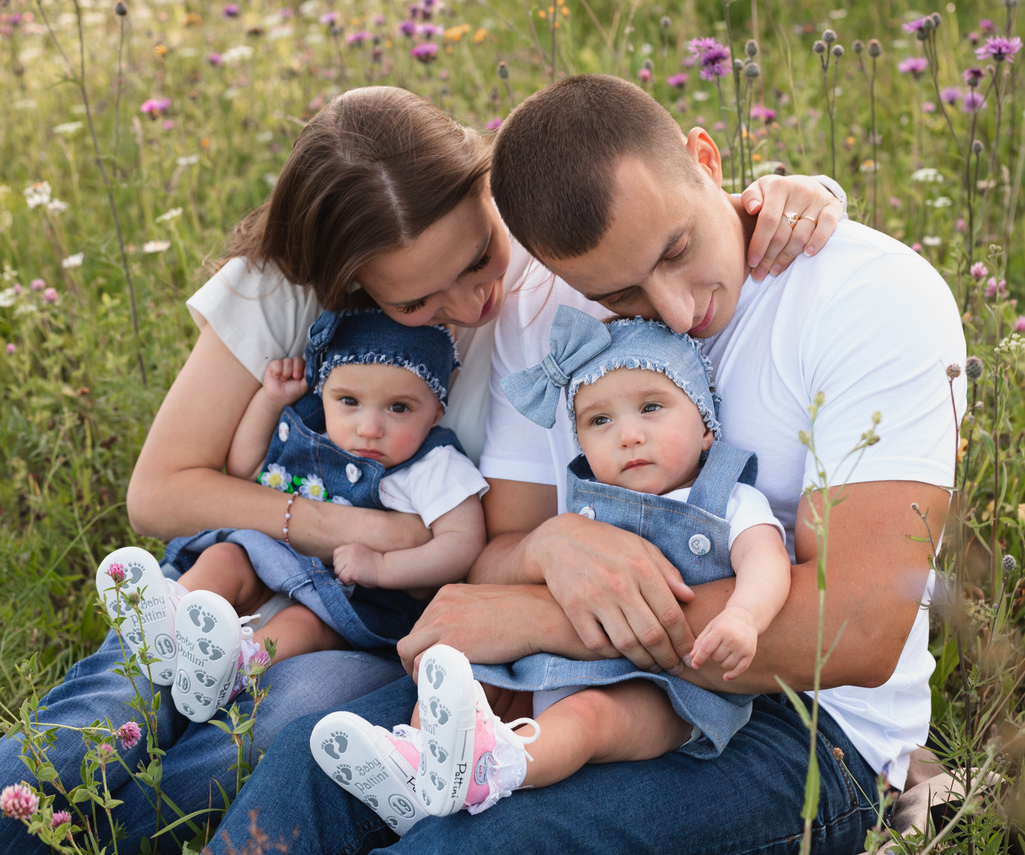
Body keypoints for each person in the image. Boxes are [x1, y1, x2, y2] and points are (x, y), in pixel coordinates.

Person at [0, 83, 840, 855]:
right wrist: (355, 528)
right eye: (418, 299)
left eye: (475, 257)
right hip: (246, 569)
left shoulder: (545, 261)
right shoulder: (291, 276)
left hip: (382, 621)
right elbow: (160, 490)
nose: (472, 300)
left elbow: (660, 201)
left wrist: (795, 192)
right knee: (101, 718)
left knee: (272, 736)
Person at [206, 75, 965, 855]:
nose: (673, 309)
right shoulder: (540, 314)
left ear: (705, 160)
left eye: (676, 249)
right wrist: (543, 555)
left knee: (484, 843)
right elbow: (503, 553)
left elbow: (859, 627)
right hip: (562, 681)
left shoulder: (869, 297)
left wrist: (547, 618)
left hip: (805, 726)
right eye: (620, 293)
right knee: (311, 762)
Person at [312, 309, 790, 831]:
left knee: (588, 719)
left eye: (651, 408)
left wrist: (744, 616)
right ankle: (421, 765)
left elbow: (765, 558)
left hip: (668, 692)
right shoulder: (584, 511)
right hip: (561, 662)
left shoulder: (727, 500)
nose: (627, 435)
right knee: (463, 671)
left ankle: (497, 767)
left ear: (705, 428)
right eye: (599, 421)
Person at [95, 309, 487, 723]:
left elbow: (463, 542)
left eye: (400, 408)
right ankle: (167, 617)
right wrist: (270, 401)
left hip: (348, 598)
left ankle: (238, 666)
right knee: (226, 557)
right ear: (325, 392)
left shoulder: (434, 465)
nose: (369, 427)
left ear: (436, 410)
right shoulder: (311, 426)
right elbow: (248, 470)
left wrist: (384, 566)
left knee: (305, 625)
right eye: (349, 402)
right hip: (270, 557)